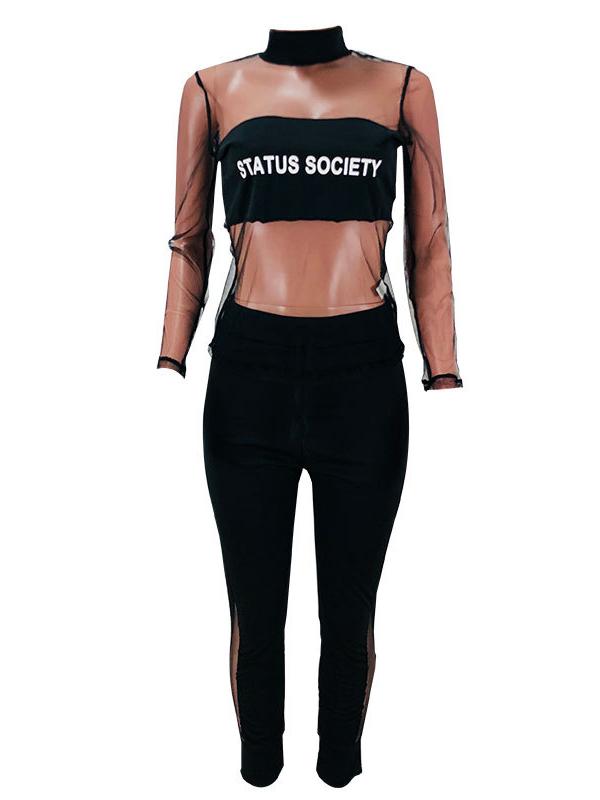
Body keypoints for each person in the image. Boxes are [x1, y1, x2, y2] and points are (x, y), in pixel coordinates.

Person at [157, 25, 462, 787]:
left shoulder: (403, 87)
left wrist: (443, 364)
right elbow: (189, 238)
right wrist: (172, 351)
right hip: (247, 375)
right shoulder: (211, 88)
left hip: (362, 377)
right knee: (254, 609)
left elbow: (428, 239)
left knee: (350, 611)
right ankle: (258, 763)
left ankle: (340, 768)